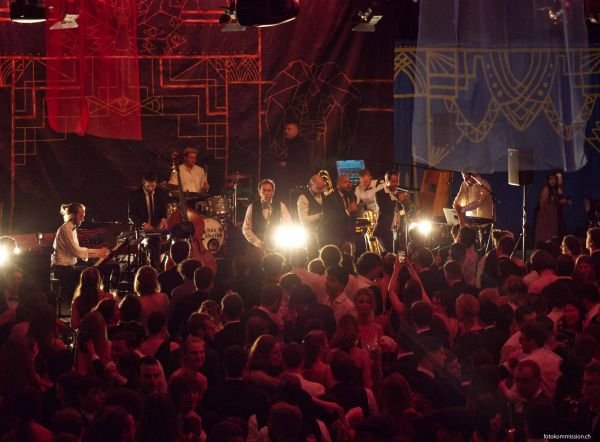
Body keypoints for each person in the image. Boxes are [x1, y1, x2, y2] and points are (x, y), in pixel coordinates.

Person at [51, 203, 108, 300]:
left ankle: (90, 301)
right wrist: (98, 252)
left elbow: (78, 250)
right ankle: (86, 302)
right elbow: (76, 252)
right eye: (81, 216)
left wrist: (98, 252)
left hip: (67, 268)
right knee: (90, 276)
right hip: (61, 270)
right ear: (73, 215)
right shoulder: (65, 229)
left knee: (91, 271)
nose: (83, 219)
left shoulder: (71, 228)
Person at [128, 171, 170, 268]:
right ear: (143, 184)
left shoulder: (160, 193)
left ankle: (156, 269)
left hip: (155, 229)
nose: (151, 188)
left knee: (156, 256)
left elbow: (163, 209)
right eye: (148, 186)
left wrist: (164, 219)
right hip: (141, 230)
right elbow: (131, 215)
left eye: (153, 186)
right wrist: (143, 224)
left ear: (156, 183)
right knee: (141, 258)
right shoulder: (135, 195)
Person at [242, 178, 292, 251]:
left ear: (273, 192)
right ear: (259, 192)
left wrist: (279, 240)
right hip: (257, 247)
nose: (266, 193)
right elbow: (246, 228)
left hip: (277, 246)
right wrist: (258, 243)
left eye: (269, 190)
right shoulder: (252, 207)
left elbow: (289, 225)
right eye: (264, 190)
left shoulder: (281, 205)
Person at [373, 170, 410, 253]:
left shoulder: (397, 193)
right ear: (386, 181)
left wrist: (405, 203)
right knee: (388, 255)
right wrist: (398, 199)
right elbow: (384, 209)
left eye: (397, 181)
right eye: (393, 181)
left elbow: (402, 212)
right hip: (384, 231)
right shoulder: (379, 194)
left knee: (399, 255)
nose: (396, 184)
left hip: (397, 231)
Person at [318, 175, 357, 248]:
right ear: (338, 185)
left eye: (349, 182)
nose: (348, 184)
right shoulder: (330, 199)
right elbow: (331, 219)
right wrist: (348, 211)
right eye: (345, 182)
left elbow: (353, 218)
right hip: (336, 238)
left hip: (350, 237)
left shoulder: (353, 196)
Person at [297, 174, 326, 257]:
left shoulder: (324, 195)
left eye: (322, 188)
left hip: (324, 234)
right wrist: (319, 216)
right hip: (311, 236)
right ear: (310, 185)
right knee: (313, 257)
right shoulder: (303, 198)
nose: (321, 191)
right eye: (318, 188)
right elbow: (303, 220)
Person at [534, 173, 563, 245]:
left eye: (554, 179)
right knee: (545, 236)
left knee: (552, 235)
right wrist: (545, 218)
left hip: (552, 217)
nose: (553, 181)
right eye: (551, 179)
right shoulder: (546, 189)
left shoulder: (553, 190)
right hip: (546, 216)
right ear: (547, 180)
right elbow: (541, 204)